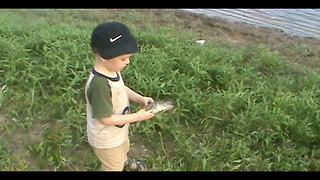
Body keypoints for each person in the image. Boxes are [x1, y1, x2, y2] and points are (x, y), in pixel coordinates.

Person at [84, 21, 156, 171]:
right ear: (104, 56)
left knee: (124, 148)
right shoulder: (99, 85)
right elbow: (105, 118)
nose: (128, 62)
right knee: (113, 166)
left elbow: (120, 88)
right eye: (123, 58)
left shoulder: (111, 71)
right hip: (106, 140)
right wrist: (138, 117)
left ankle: (123, 160)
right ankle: (116, 164)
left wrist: (139, 98)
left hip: (118, 133)